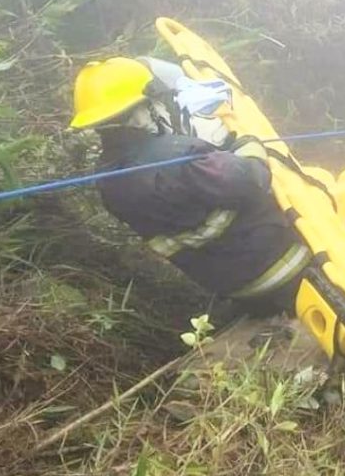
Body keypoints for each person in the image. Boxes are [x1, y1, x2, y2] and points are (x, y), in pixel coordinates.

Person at [69, 57, 311, 316]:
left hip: (237, 289)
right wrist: (250, 146)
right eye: (156, 103)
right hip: (288, 268)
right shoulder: (181, 155)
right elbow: (252, 179)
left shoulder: (106, 179)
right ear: (141, 113)